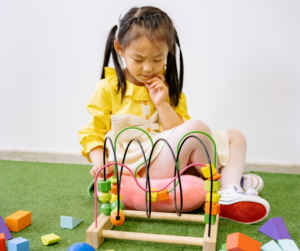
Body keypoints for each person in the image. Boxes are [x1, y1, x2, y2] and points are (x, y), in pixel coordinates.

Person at [78, 6, 269, 224]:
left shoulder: (167, 86)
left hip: (169, 156)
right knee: (197, 127)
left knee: (235, 136)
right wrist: (99, 163)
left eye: (158, 59)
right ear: (120, 49)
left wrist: (162, 104)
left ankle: (230, 188)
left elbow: (179, 132)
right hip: (140, 168)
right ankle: (228, 183)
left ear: (169, 50)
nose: (148, 68)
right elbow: (93, 132)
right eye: (139, 59)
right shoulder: (108, 88)